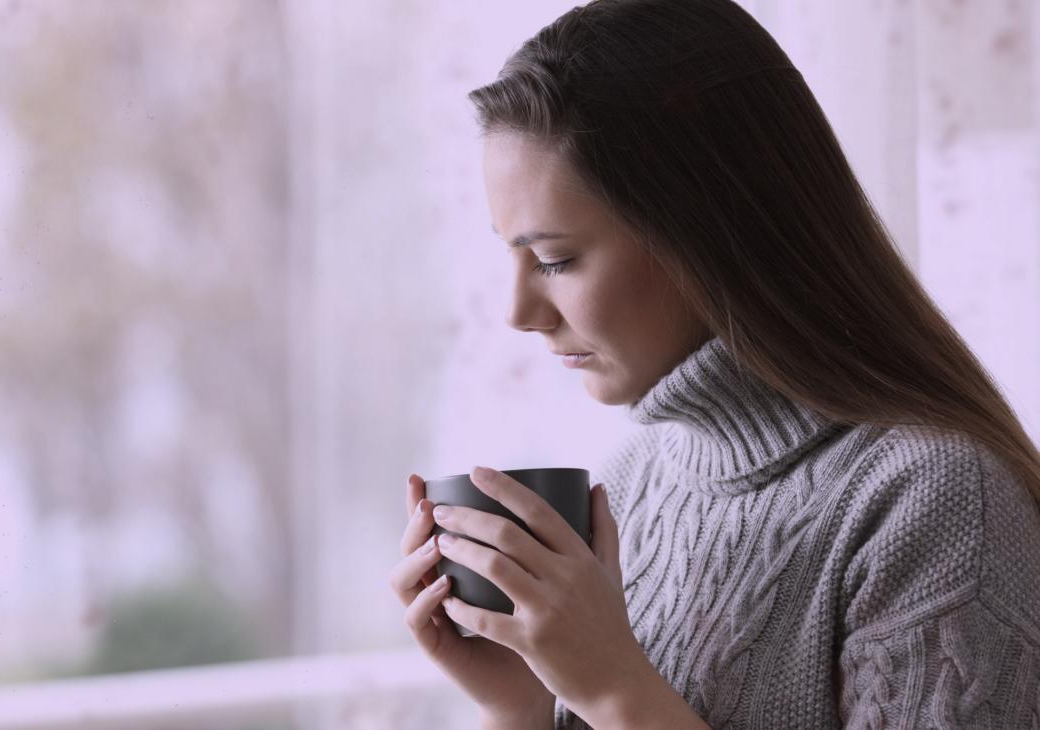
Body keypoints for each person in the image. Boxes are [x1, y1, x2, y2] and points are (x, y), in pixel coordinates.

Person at [387, 0, 1040, 727]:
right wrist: (524, 704)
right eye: (514, 255)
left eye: (555, 259)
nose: (519, 312)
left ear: (704, 233)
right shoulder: (638, 482)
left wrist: (612, 690)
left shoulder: (935, 500)